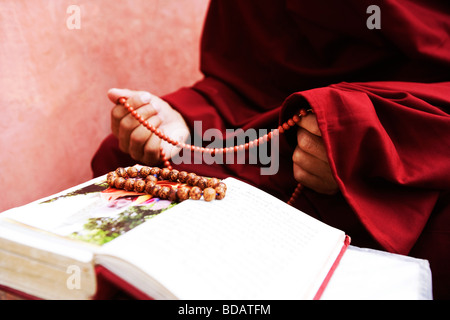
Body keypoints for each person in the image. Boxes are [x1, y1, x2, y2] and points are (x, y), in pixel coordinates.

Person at [91, 0, 450, 299]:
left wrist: (359, 134)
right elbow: (242, 81)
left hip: (406, 143)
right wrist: (186, 116)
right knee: (125, 158)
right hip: (273, 140)